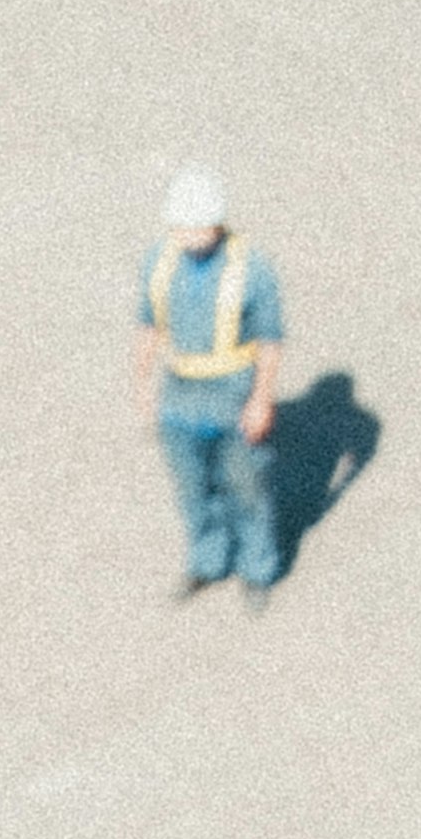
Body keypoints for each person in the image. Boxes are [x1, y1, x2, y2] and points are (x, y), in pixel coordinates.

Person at [136, 164, 283, 603]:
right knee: (192, 486)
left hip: (233, 392)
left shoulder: (251, 268)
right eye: (183, 227)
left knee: (247, 485)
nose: (191, 236)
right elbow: (150, 326)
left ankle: (257, 569)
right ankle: (207, 561)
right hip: (180, 394)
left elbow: (270, 341)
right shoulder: (160, 260)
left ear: (217, 223)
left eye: (200, 227)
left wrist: (261, 399)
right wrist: (143, 384)